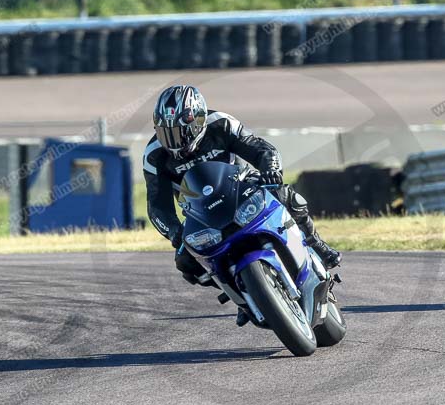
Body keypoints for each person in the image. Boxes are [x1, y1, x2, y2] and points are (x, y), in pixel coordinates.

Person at [144, 85, 341, 325]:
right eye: (167, 133)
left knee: (286, 195)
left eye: (179, 132)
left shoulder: (221, 123)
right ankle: (242, 293)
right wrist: (175, 232)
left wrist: (270, 170)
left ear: (197, 121)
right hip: (200, 210)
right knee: (186, 263)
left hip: (241, 187)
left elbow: (261, 148)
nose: (174, 141)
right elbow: (157, 206)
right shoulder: (153, 155)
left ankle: (315, 244)